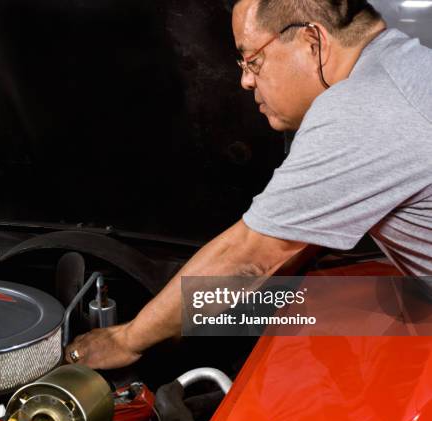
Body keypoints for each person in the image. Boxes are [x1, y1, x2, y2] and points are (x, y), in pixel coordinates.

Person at [65, 0, 432, 369]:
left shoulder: (362, 110)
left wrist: (127, 339)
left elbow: (249, 257)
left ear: (311, 41)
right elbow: (293, 240)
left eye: (252, 60)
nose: (245, 80)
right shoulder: (402, 67)